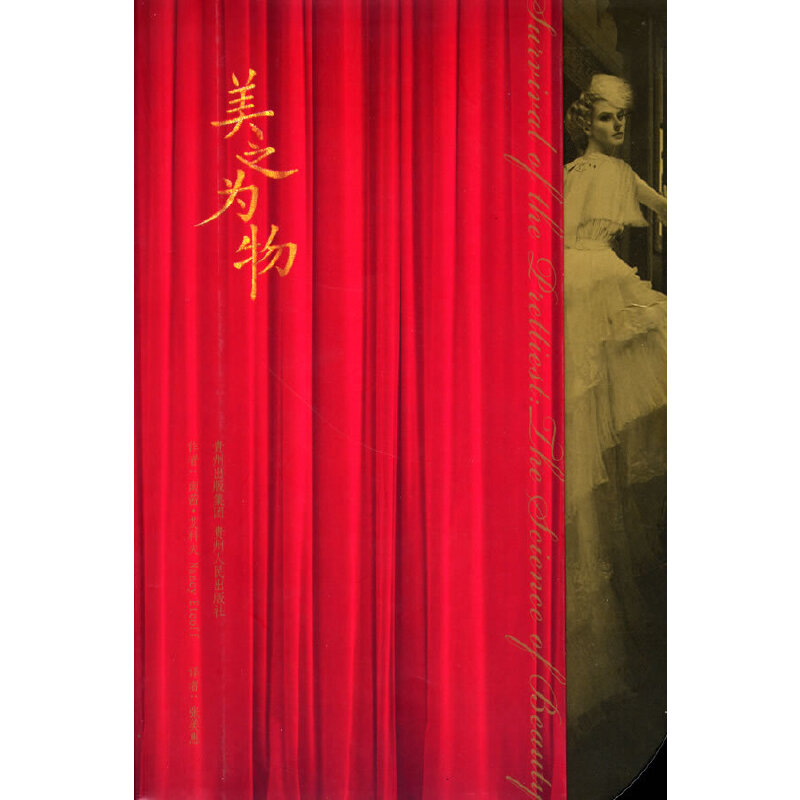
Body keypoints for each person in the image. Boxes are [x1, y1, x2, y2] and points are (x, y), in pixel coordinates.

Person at [564, 74, 667, 791]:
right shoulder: (573, 174)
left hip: (598, 285)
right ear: (586, 122)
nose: (617, 128)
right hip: (572, 289)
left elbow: (664, 206)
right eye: (606, 118)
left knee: (595, 422)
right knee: (575, 416)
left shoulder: (623, 174)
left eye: (623, 119)